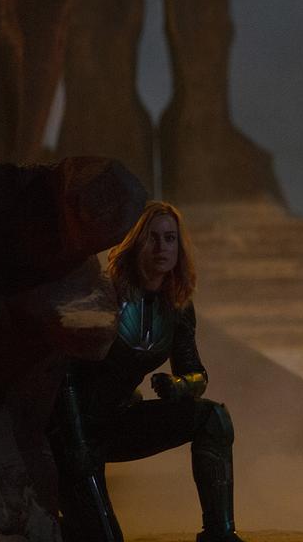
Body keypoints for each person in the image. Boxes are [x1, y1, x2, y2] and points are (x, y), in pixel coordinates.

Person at [49, 201, 243, 542]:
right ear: (136, 243)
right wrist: (75, 443)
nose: (161, 247)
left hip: (119, 422)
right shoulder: (106, 293)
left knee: (213, 418)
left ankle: (220, 535)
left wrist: (179, 386)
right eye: (152, 238)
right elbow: (65, 371)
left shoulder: (177, 305)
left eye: (170, 238)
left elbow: (196, 373)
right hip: (71, 431)